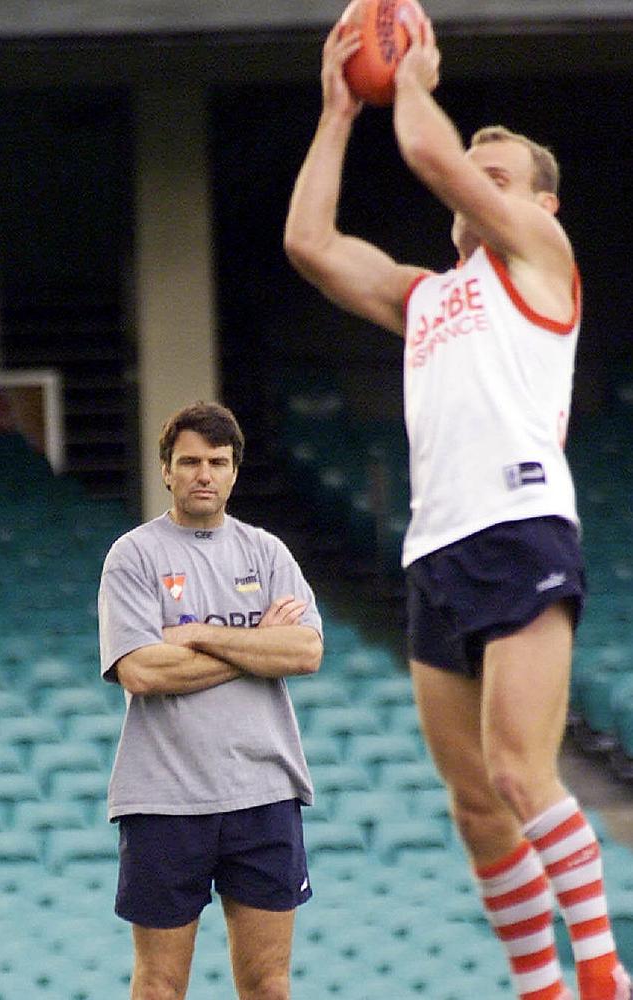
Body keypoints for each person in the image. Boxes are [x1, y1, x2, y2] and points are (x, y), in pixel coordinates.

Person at [283, 5, 630, 1000]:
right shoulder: (425, 296)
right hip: (433, 548)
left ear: (539, 206)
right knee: (474, 805)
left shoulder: (540, 264)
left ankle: (602, 976)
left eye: (502, 171)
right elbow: (310, 241)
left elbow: (433, 156)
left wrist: (419, 83)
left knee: (523, 774)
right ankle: (539, 985)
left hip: (519, 524)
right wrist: (337, 112)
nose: (479, 176)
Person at [98, 400, 323, 1000]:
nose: (204, 473)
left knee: (269, 986)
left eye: (217, 462)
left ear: (233, 472)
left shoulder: (267, 553)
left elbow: (304, 652)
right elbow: (142, 670)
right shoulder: (134, 555)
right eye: (190, 461)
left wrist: (197, 634)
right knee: (160, 987)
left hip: (264, 793)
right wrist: (255, 645)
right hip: (164, 798)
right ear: (166, 471)